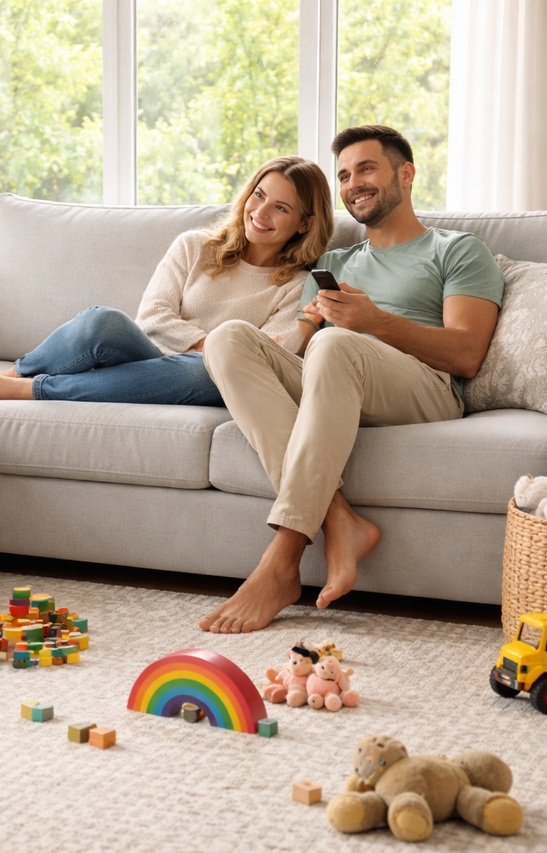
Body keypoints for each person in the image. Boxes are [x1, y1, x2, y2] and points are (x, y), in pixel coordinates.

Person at [198, 125, 504, 634]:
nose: (353, 183)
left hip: (424, 390)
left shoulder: (457, 250)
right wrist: (286, 341)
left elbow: (468, 354)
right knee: (229, 338)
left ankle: (283, 558)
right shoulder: (333, 263)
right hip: (334, 372)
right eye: (343, 175)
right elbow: (295, 350)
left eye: (366, 168)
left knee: (336, 342)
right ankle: (339, 518)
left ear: (405, 174)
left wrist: (376, 322)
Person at [0, 156, 335, 404]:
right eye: (259, 195)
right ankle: (14, 374)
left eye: (280, 207)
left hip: (206, 378)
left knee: (206, 370)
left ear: (304, 223)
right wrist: (211, 343)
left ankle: (27, 390)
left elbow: (269, 356)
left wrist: (212, 353)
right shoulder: (195, 246)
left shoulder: (296, 284)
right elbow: (153, 318)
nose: (260, 212)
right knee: (102, 321)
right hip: (150, 357)